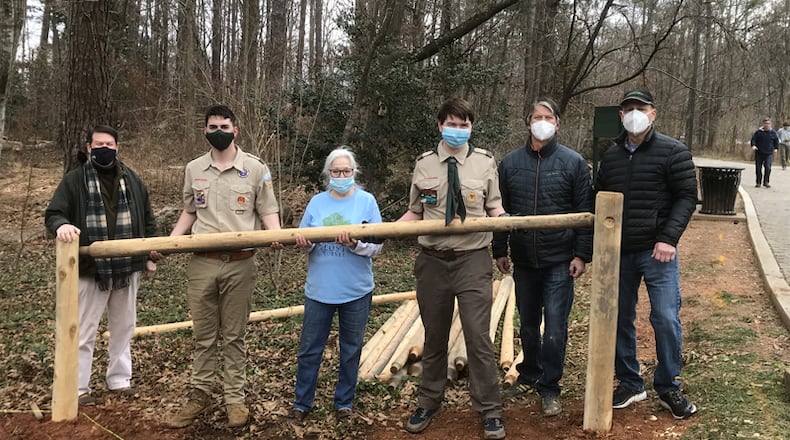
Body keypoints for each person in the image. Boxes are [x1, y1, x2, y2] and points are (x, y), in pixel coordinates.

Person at [163, 105, 281, 429]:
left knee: (234, 336)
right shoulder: (194, 169)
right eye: (213, 125)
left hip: (240, 264)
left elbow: (267, 209)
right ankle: (198, 395)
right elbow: (189, 211)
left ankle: (234, 400)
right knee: (203, 336)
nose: (219, 130)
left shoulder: (255, 169)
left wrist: (276, 236)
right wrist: (170, 242)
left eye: (224, 125)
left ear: (235, 130)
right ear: (204, 131)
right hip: (202, 263)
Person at [398, 98, 506, 440]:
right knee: (434, 336)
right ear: (440, 125)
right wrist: (376, 233)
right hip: (432, 263)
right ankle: (429, 401)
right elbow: (415, 213)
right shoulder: (424, 164)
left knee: (477, 336)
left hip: (473, 261)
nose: (458, 130)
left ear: (471, 128)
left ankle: (490, 410)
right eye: (452, 124)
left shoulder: (486, 162)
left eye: (464, 125)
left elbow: (495, 208)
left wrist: (510, 223)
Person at [596, 87, 698, 420]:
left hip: (658, 252)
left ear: (653, 113)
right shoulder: (610, 157)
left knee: (666, 317)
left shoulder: (673, 151)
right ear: (621, 116)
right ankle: (630, 382)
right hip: (619, 252)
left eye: (640, 108)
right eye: (628, 109)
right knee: (620, 318)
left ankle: (668, 386)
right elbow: (600, 200)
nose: (634, 113)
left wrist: (668, 237)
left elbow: (686, 196)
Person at [492, 98, 593, 416]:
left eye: (548, 117)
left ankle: (550, 387)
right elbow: (500, 210)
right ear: (528, 121)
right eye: (537, 116)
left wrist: (582, 255)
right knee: (528, 324)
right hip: (523, 259)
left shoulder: (574, 163)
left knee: (555, 329)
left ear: (558, 123)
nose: (542, 121)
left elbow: (584, 213)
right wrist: (499, 249)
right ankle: (529, 373)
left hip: (559, 261)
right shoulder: (509, 164)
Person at [45, 125, 157, 406]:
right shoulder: (74, 181)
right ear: (88, 147)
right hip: (90, 268)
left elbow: (147, 217)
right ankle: (79, 387)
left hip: (127, 267)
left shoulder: (132, 180)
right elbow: (54, 213)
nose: (104, 148)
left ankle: (119, 380)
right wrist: (62, 226)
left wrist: (150, 254)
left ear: (117, 147)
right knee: (83, 331)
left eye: (109, 143)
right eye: (98, 144)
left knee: (124, 327)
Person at [289, 147, 383, 422]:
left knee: (350, 350)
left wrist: (355, 244)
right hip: (320, 290)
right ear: (327, 174)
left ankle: (344, 403)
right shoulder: (317, 203)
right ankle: (302, 403)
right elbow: (303, 239)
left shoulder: (366, 201)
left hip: (356, 290)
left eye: (346, 171)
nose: (341, 175)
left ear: (354, 173)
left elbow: (377, 246)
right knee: (310, 350)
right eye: (336, 171)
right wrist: (305, 244)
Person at [750, 117, 779, 187]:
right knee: (758, 168)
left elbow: (776, 141)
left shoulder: (773, 132)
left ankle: (766, 182)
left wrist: (776, 148)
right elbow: (753, 140)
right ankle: (758, 182)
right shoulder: (758, 132)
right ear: (763, 124)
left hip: (769, 153)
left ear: (770, 124)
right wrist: (753, 145)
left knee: (768, 167)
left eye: (768, 124)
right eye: (766, 123)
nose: (767, 125)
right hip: (759, 152)